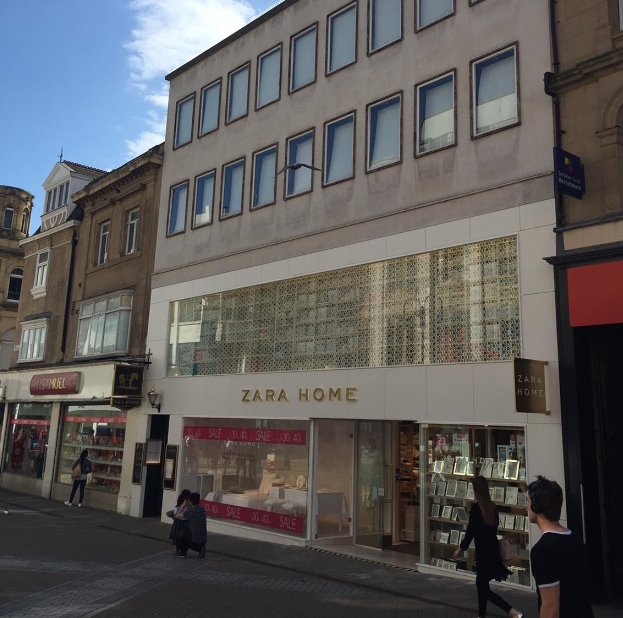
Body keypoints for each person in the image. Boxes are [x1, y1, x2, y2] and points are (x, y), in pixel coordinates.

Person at [453, 476, 523, 618]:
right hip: (493, 552)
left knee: (483, 588)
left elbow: (471, 532)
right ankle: (481, 615)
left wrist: (461, 548)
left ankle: (513, 612)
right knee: (482, 586)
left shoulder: (476, 510)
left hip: (483, 555)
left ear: (477, 490)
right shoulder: (492, 507)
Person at [527, 475, 595, 618]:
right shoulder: (576, 541)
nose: (525, 506)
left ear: (535, 506)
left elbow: (550, 606)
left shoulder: (542, 551)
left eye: (527, 501)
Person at [174, 492, 207, 558]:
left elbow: (176, 516)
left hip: (195, 541)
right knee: (185, 532)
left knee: (179, 534)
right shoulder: (202, 510)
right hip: (203, 540)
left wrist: (183, 505)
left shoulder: (190, 512)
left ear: (190, 502)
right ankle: (201, 548)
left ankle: (183, 552)